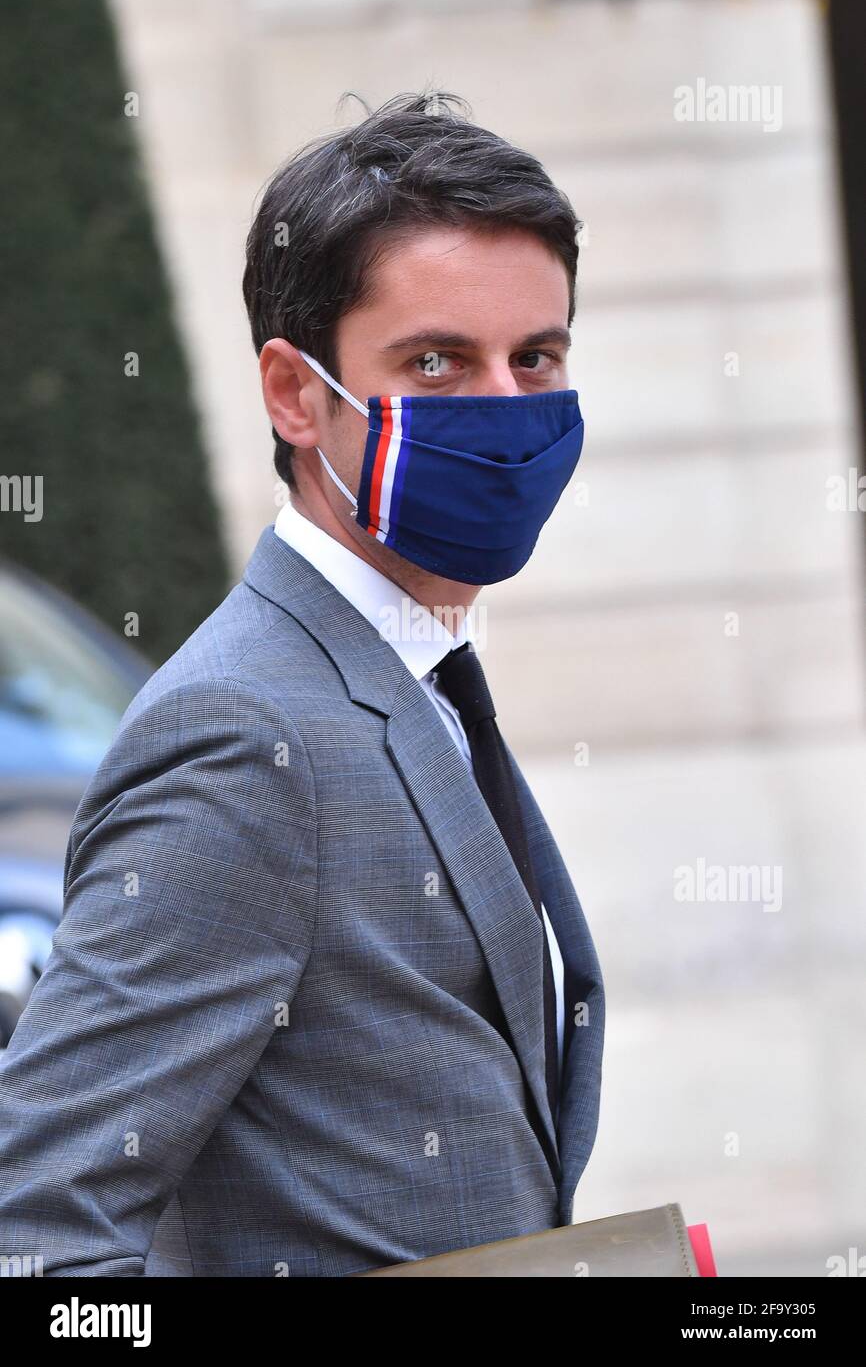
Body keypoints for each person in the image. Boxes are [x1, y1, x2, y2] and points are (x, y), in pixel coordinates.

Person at [0, 90, 604, 1278]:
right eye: (435, 361)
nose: (505, 408)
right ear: (293, 394)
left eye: (535, 358)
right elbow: (35, 1230)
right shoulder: (239, 732)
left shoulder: (409, 668)